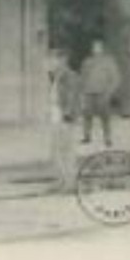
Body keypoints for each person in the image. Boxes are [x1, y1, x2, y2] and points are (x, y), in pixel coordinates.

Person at [49, 49, 84, 191]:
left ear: (63, 60)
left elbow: (71, 97)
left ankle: (69, 183)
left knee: (66, 151)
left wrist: (67, 115)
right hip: (56, 115)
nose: (50, 62)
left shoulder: (69, 76)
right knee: (56, 151)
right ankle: (61, 181)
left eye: (53, 59)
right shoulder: (56, 76)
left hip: (64, 117)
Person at [80, 40, 123, 146]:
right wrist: (83, 91)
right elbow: (82, 77)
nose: (96, 50)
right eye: (94, 47)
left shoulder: (108, 62)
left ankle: (107, 138)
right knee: (87, 115)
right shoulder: (87, 61)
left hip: (103, 93)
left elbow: (116, 78)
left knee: (105, 116)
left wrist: (109, 91)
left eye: (98, 47)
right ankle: (87, 136)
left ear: (103, 49)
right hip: (89, 92)